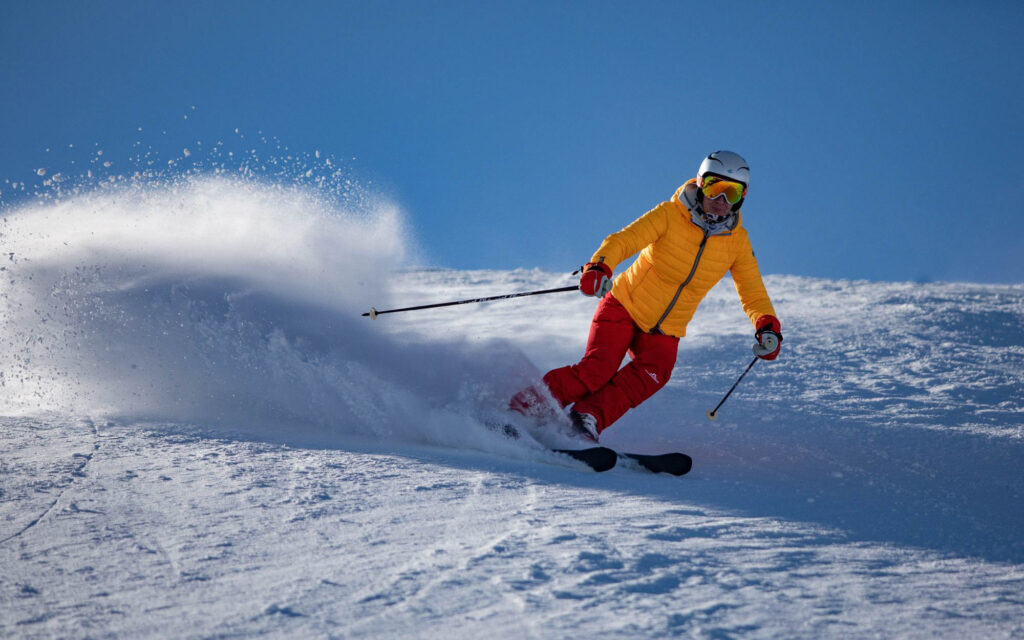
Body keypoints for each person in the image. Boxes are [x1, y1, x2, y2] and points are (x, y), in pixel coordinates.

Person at [510, 150, 782, 441]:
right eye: (716, 188)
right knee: (597, 370)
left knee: (654, 374)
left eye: (732, 192)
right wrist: (599, 267)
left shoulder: (737, 242)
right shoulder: (670, 214)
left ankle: (586, 418)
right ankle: (524, 410)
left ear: (743, 197)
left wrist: (767, 326)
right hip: (625, 306)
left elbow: (752, 289)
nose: (721, 200)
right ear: (702, 184)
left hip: (666, 329)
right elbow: (624, 240)